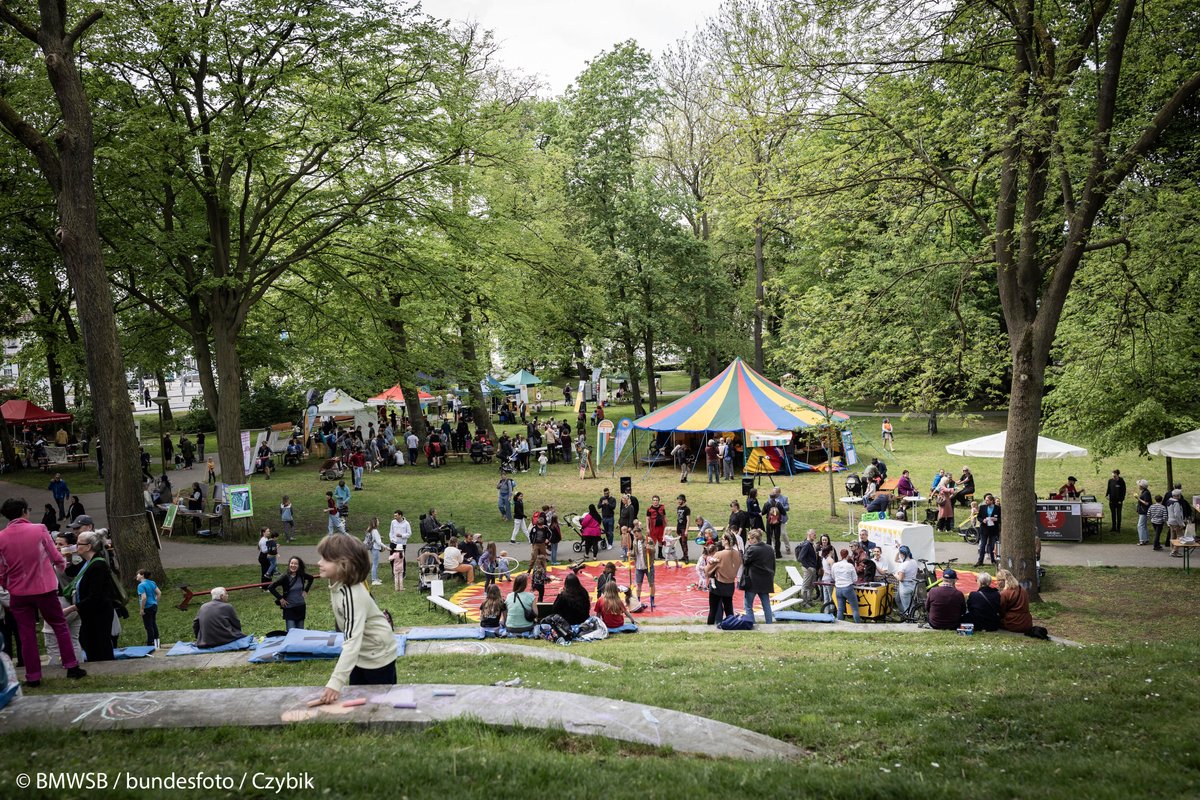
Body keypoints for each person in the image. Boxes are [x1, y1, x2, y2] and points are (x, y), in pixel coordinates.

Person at [0, 498, 86, 686]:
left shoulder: (1, 537)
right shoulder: (39, 529)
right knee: (59, 626)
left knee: (26, 634)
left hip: (18, 592)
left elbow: (1, 568)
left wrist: (6, 584)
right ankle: (72, 666)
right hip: (44, 589)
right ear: (24, 511)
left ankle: (33, 676)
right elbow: (55, 555)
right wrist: (62, 566)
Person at [314, 534, 399, 704]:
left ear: (344, 564)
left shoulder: (352, 595)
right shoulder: (337, 585)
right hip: (360, 653)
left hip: (378, 655)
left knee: (381, 703)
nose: (319, 563)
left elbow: (352, 641)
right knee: (357, 698)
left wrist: (335, 683)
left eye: (326, 559)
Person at [269, 557, 314, 630]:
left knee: (300, 632)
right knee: (291, 632)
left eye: (296, 564)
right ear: (289, 564)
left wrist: (306, 590)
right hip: (289, 608)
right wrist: (280, 599)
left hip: (300, 607)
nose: (293, 565)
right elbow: (271, 587)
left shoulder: (301, 575)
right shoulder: (284, 577)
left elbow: (311, 578)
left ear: (299, 566)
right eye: (291, 563)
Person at [741, 531, 776, 624]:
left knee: (748, 605)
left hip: (753, 582)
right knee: (766, 605)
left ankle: (751, 623)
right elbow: (773, 564)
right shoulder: (769, 548)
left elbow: (745, 561)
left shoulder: (752, 549)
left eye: (749, 539)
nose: (748, 541)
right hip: (766, 581)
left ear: (754, 539)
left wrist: (747, 549)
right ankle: (769, 623)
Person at [705, 538, 742, 625]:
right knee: (729, 608)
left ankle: (709, 627)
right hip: (730, 584)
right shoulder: (737, 554)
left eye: (723, 538)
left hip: (718, 584)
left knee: (713, 609)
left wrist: (709, 564)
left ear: (726, 541)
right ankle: (732, 625)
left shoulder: (719, 554)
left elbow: (707, 570)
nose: (721, 540)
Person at [996, 569, 1033, 634]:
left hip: (1013, 623)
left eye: (999, 580)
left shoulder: (1005, 593)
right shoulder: (1022, 590)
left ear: (1005, 580)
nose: (997, 582)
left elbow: (1001, 612)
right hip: (1027, 623)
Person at [832, 549, 861, 623]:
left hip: (838, 588)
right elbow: (855, 579)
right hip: (848, 588)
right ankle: (858, 625)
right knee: (854, 609)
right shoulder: (850, 565)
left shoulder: (835, 565)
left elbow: (833, 577)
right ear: (847, 556)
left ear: (840, 555)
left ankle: (840, 625)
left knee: (840, 609)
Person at [975, 494, 1002, 567]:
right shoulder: (982, 507)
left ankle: (993, 560)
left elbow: (1001, 518)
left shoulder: (997, 508)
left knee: (992, 546)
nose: (986, 502)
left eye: (987, 500)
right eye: (985, 500)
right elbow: (978, 517)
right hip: (984, 529)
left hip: (993, 530)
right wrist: (982, 520)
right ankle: (980, 561)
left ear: (992, 501)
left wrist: (996, 519)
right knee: (982, 545)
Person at [632, 529, 656, 610]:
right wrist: (630, 554)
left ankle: (652, 601)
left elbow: (654, 550)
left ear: (640, 533)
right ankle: (638, 601)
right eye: (635, 535)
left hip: (648, 565)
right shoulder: (635, 541)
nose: (636, 536)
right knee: (638, 585)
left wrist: (650, 548)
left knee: (651, 584)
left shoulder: (648, 540)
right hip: (639, 567)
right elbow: (634, 553)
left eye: (637, 534)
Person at [795, 529, 820, 604]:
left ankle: (809, 600)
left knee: (811, 585)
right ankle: (804, 602)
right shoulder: (806, 545)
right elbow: (800, 558)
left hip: (812, 567)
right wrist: (807, 567)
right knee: (806, 586)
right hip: (809, 568)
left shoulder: (811, 544)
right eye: (814, 534)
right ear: (809, 535)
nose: (815, 536)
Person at [892, 546, 918, 617]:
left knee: (907, 607)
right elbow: (896, 559)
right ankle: (905, 615)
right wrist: (899, 550)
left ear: (902, 554)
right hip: (913, 585)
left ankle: (909, 619)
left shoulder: (903, 565)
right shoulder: (913, 561)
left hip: (905, 587)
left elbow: (900, 578)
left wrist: (895, 575)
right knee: (898, 600)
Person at [363, 517, 383, 585]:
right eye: (378, 521)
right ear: (375, 522)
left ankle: (376, 578)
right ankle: (374, 580)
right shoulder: (375, 531)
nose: (379, 522)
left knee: (375, 563)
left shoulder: (370, 529)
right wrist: (385, 547)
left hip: (372, 548)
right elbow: (378, 542)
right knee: (375, 564)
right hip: (375, 548)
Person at [674, 494, 692, 563]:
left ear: (684, 500)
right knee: (681, 542)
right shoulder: (678, 508)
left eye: (680, 500)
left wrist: (686, 530)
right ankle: (684, 556)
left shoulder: (687, 509)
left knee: (684, 542)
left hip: (684, 528)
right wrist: (676, 528)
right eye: (678, 500)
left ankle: (686, 557)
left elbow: (688, 520)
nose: (678, 501)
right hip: (679, 527)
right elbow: (678, 518)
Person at [1135, 479, 1152, 546]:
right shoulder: (1144, 492)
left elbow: (1146, 503)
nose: (1138, 486)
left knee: (1140, 525)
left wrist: (1138, 499)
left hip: (1144, 511)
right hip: (1142, 511)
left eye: (1139, 485)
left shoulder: (1146, 493)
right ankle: (1146, 539)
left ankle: (1142, 540)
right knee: (1144, 525)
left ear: (1141, 486)